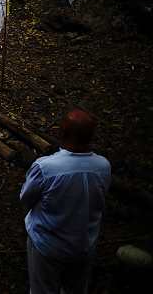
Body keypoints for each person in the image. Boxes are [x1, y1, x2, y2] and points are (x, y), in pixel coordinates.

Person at [20, 109, 111, 294]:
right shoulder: (103, 166)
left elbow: (25, 198)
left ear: (61, 133)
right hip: (84, 244)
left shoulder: (46, 167)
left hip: (47, 245)